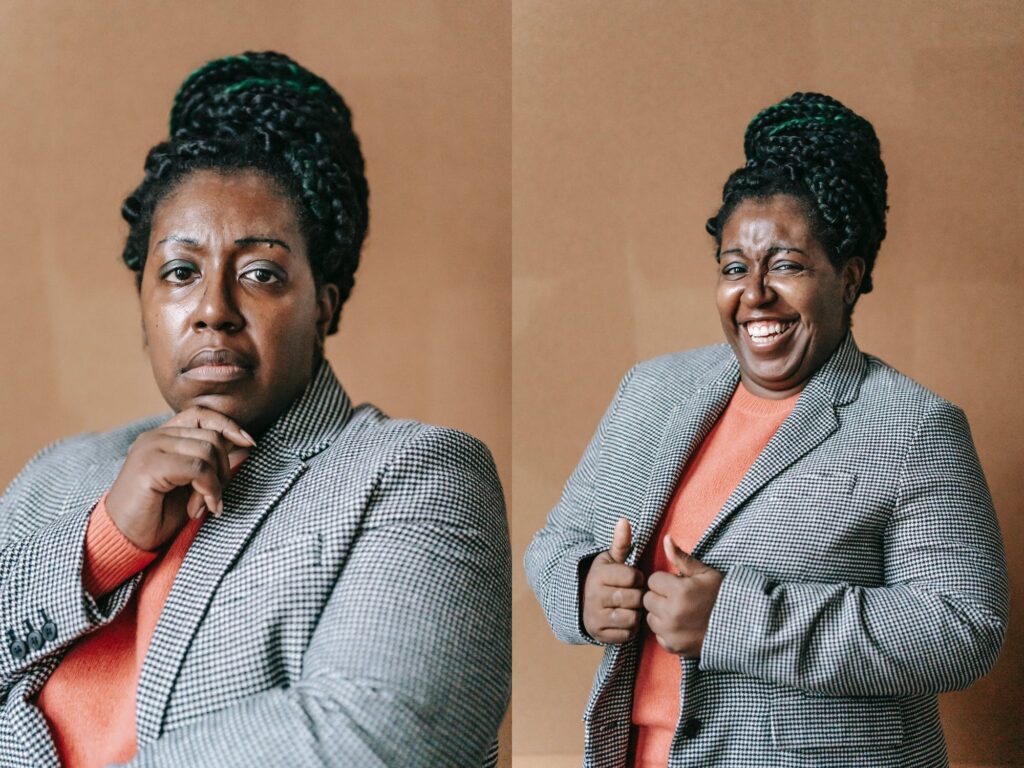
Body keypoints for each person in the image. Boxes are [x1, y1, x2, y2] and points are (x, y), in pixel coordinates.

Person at [0, 51, 510, 768]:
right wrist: (105, 543)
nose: (213, 310)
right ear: (144, 307)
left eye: (261, 274)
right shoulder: (59, 478)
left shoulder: (417, 473)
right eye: (180, 272)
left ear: (323, 305)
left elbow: (378, 740)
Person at [525, 92, 1008, 767]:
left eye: (785, 265)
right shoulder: (653, 391)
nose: (753, 294)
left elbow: (963, 628)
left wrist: (738, 619)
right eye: (733, 267)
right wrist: (582, 587)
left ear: (849, 278)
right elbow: (556, 542)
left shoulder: (914, 426)